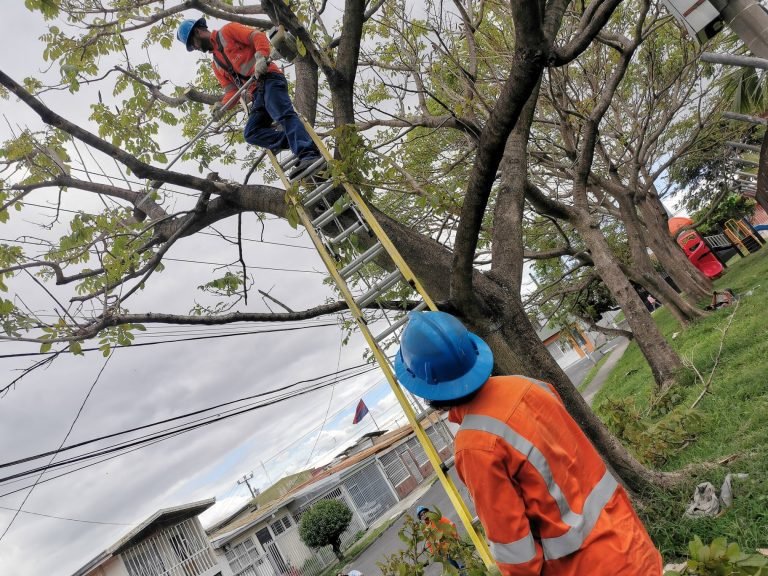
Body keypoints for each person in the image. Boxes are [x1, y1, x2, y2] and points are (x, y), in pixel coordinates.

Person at [394, 311, 663, 575]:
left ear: (425, 389)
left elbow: (517, 556)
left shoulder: (475, 445)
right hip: (632, 542)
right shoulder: (529, 386)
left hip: (586, 566)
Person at [176, 18, 322, 175]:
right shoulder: (216, 64)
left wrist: (260, 57)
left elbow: (256, 36)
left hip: (269, 78)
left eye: (192, 43)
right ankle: (299, 140)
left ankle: (309, 154)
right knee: (251, 133)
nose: (195, 48)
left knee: (282, 113)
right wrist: (222, 106)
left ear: (197, 32)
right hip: (257, 93)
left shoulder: (228, 31)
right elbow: (232, 91)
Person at [416, 505, 465, 572]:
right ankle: (459, 572)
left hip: (451, 542)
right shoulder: (425, 529)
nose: (424, 515)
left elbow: (451, 524)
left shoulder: (437, 518)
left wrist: (455, 536)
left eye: (424, 512)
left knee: (460, 560)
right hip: (442, 549)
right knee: (452, 564)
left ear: (428, 512)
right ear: (420, 518)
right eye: (421, 515)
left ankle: (464, 570)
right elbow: (429, 541)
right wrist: (433, 552)